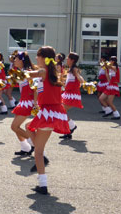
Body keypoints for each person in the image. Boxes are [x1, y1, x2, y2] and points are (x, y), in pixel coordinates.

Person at [23, 46, 69, 195]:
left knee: (38, 152)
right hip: (53, 112)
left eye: (38, 56)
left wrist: (22, 72)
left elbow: (29, 74)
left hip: (48, 112)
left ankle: (43, 185)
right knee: (29, 127)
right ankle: (42, 182)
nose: (36, 58)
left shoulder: (44, 72)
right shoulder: (53, 71)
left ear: (43, 57)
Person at [10, 52, 36, 156]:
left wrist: (35, 103)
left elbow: (35, 88)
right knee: (16, 126)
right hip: (23, 101)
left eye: (16, 59)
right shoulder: (21, 71)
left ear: (21, 60)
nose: (14, 61)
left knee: (14, 127)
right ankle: (25, 147)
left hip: (28, 102)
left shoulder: (28, 72)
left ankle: (33, 143)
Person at [60, 52, 85, 139]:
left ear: (72, 60)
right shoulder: (70, 68)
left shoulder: (74, 69)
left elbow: (81, 80)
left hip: (72, 95)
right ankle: (68, 130)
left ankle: (71, 126)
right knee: (61, 111)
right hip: (67, 93)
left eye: (68, 58)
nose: (66, 59)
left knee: (61, 111)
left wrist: (78, 76)